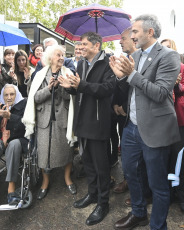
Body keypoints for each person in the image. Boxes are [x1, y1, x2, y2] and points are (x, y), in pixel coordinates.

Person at [109, 14, 180, 230]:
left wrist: (131, 75)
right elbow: (133, 89)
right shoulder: (137, 55)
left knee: (157, 184)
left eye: (135, 31)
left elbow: (159, 93)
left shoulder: (169, 56)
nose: (131, 36)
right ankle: (139, 213)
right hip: (131, 128)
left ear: (150, 32)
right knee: (131, 173)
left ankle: (158, 226)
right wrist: (121, 76)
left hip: (155, 129)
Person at [59, 32, 115, 226]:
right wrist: (69, 87)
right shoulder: (81, 64)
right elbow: (78, 89)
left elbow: (107, 89)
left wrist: (81, 85)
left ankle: (103, 203)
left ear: (96, 46)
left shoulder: (109, 63)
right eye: (80, 44)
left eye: (84, 44)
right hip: (82, 120)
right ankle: (92, 194)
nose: (80, 47)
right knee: (87, 161)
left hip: (98, 122)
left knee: (101, 166)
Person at [23, 45, 76, 201]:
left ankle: (67, 179)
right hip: (44, 120)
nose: (62, 58)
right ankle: (45, 183)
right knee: (44, 153)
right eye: (59, 55)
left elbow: (71, 98)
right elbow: (36, 98)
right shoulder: (40, 75)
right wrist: (49, 88)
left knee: (67, 151)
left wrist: (64, 87)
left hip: (63, 118)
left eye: (63, 55)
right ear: (50, 58)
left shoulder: (68, 73)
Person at [112, 27, 138, 195]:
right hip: (121, 115)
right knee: (127, 154)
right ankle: (128, 179)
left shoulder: (141, 59)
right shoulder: (123, 59)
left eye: (123, 38)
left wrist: (126, 108)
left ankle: (139, 187)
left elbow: (137, 89)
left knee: (139, 157)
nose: (120, 41)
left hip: (136, 115)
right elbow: (118, 86)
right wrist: (116, 104)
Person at [161, 38, 184, 212]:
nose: (165, 50)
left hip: (178, 121)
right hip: (161, 121)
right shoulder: (158, 68)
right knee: (166, 159)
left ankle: (180, 194)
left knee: (179, 160)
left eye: (168, 48)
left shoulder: (181, 68)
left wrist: (177, 86)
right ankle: (168, 193)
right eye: (162, 48)